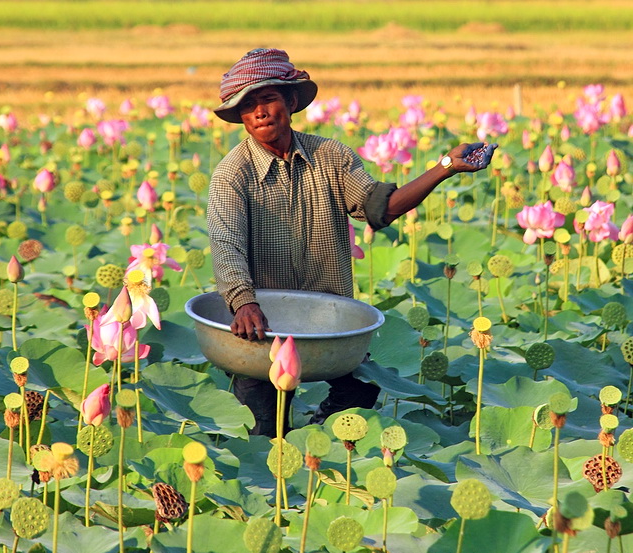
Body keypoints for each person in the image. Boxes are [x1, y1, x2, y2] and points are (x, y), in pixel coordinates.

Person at [207, 48, 496, 437]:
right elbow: (227, 245)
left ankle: (320, 439)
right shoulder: (232, 174)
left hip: (328, 319)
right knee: (263, 432)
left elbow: (382, 208)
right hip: (262, 325)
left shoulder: (331, 156)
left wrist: (445, 167)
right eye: (248, 106)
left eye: (268, 99)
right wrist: (243, 302)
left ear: (290, 102)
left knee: (361, 390)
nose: (259, 112)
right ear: (239, 116)